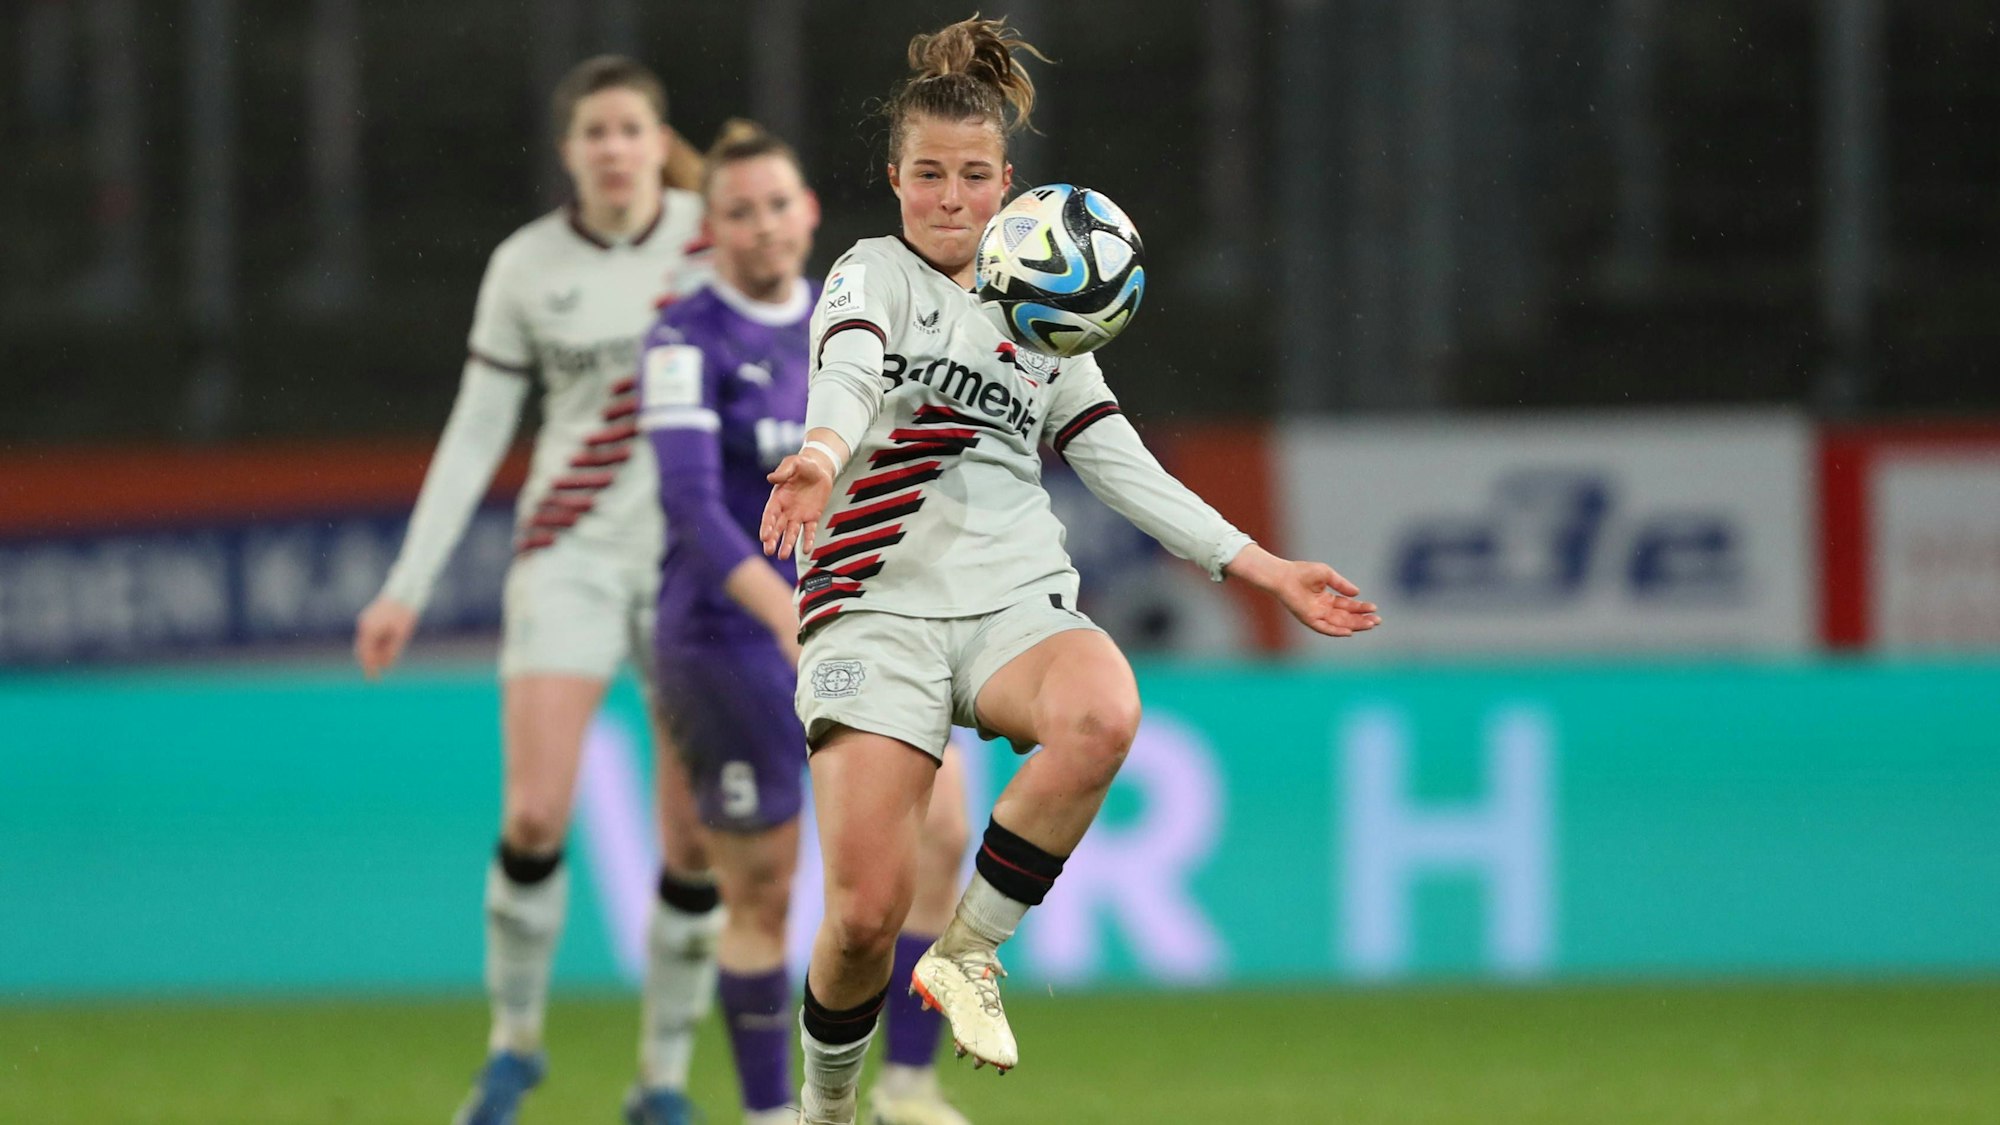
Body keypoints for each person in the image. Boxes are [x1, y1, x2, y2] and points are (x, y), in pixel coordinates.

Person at [757, 16, 1382, 1125]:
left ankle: (968, 956)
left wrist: (1260, 566)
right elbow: (847, 377)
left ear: (1006, 184)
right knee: (858, 918)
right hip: (871, 612)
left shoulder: (1047, 318)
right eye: (927, 176)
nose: (949, 199)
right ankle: (827, 1108)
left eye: (971, 177)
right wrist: (815, 456)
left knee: (1100, 713)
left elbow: (1118, 462)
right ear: (893, 178)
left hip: (1008, 603)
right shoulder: (870, 276)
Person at [351, 56, 721, 1125]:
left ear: (658, 141)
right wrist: (406, 585)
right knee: (532, 811)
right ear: (568, 152)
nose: (611, 148)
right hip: (566, 554)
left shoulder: (719, 238)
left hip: (691, 564)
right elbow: (477, 431)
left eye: (628, 129)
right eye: (592, 132)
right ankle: (513, 1045)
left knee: (693, 837)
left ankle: (657, 1079)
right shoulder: (526, 264)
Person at [638, 119, 978, 1125]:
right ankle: (769, 1113)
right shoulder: (682, 339)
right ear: (709, 227)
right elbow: (694, 511)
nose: (762, 227)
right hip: (732, 640)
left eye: (778, 205)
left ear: (811, 213)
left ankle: (907, 1087)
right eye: (737, 211)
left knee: (942, 834)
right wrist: (792, 617)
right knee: (764, 894)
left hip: (856, 627)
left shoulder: (853, 324)